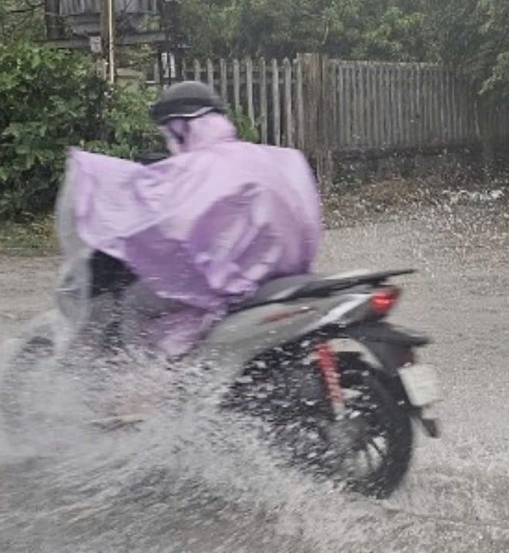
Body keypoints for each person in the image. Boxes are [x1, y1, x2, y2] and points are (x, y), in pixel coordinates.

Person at [58, 81, 322, 359]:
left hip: (231, 284)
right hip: (283, 276)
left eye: (168, 132)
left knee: (133, 305)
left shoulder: (198, 168)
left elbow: (172, 220)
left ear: (180, 128)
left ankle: (142, 390)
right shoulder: (269, 156)